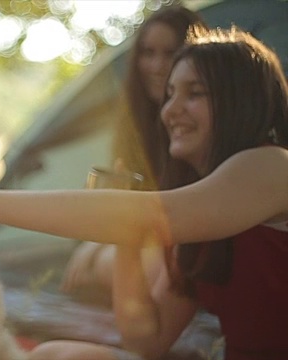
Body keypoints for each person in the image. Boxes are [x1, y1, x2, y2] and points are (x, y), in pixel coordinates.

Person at [0, 26, 288, 359]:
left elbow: (157, 216)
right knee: (56, 353)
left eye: (195, 93)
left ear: (241, 101)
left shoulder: (272, 165)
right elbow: (147, 340)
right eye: (170, 94)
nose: (170, 111)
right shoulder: (204, 219)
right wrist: (126, 241)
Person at [61, 5, 207, 300]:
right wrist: (95, 242)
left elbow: (180, 214)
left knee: (118, 266)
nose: (156, 65)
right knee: (98, 263)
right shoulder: (138, 124)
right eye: (147, 53)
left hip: (184, 245)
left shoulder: (203, 126)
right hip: (143, 243)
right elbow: (119, 202)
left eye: (170, 53)